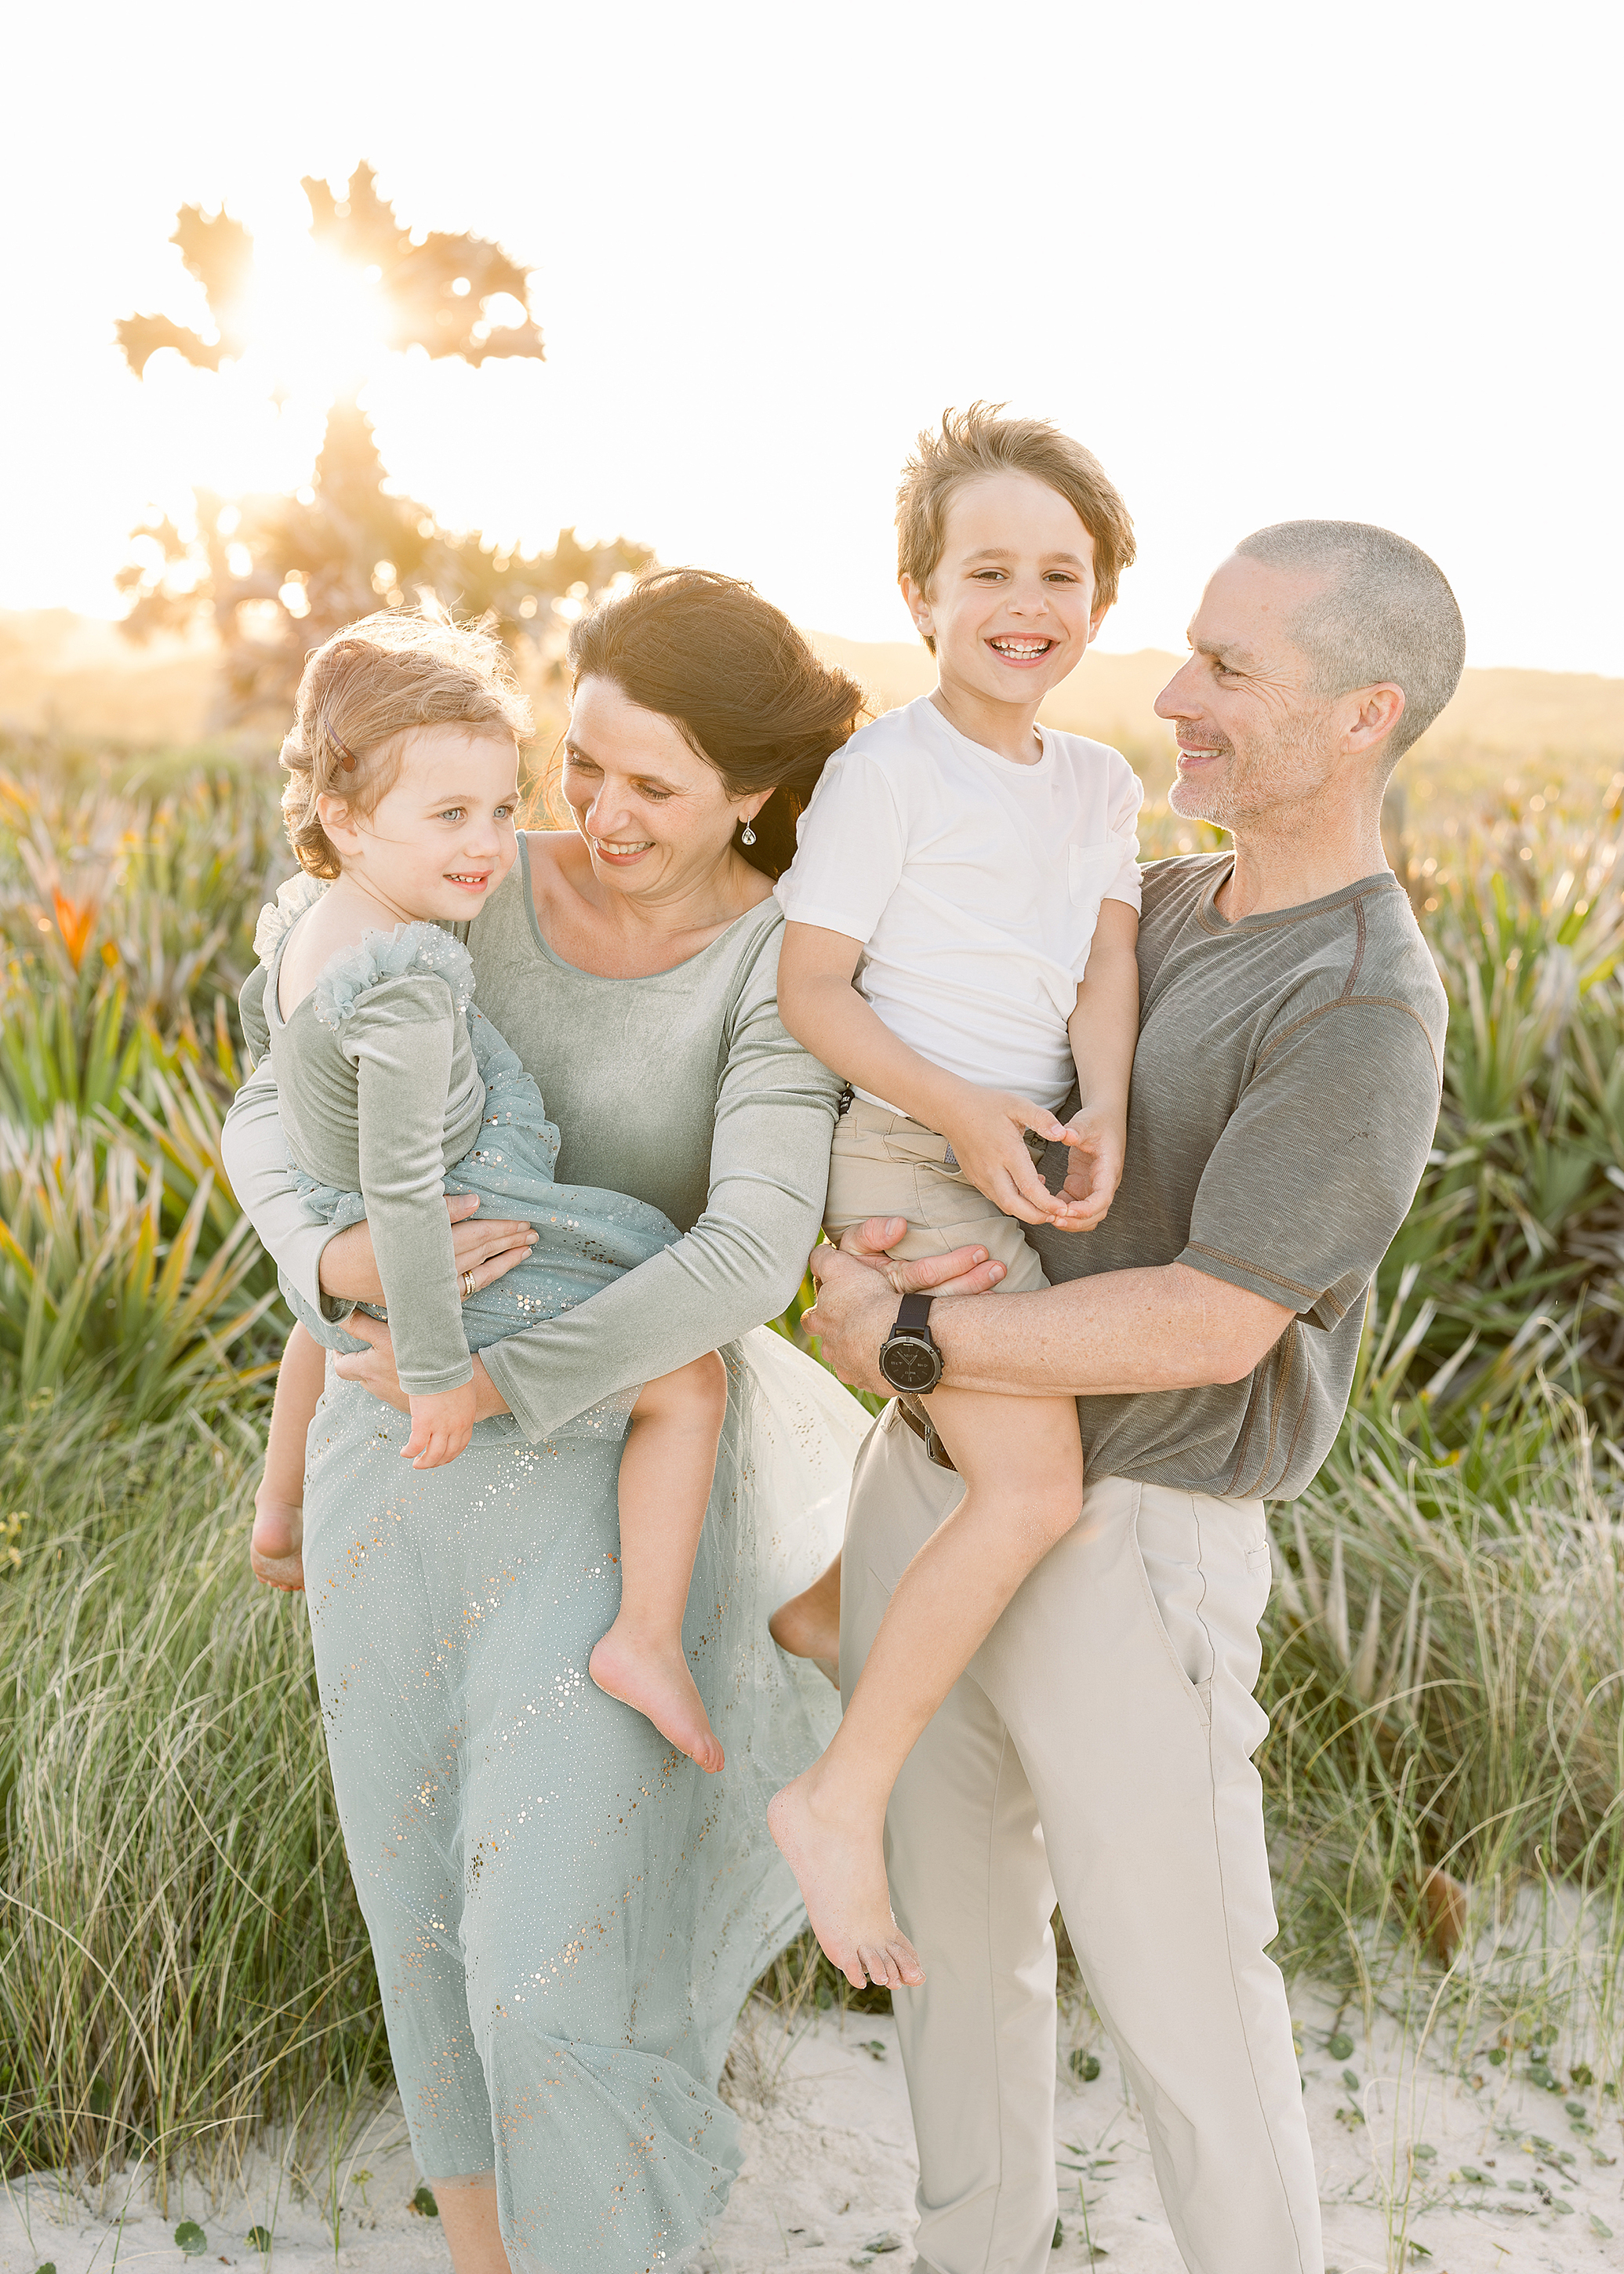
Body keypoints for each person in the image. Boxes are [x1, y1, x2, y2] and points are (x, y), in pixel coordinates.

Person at [802, 520, 1462, 2274]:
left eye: (1231, 671)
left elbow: (1212, 1325)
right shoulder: (1149, 905)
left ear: (1361, 716)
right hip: (936, 1499)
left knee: (1188, 2014)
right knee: (948, 1981)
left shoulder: (1360, 1004)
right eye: (1187, 651)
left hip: (1134, 1540)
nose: (1173, 696)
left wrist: (913, 1345)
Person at [220, 570, 874, 2274]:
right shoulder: (459, 869)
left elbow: (746, 1250)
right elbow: (267, 1110)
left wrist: (508, 1375)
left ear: (749, 789)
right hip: (397, 1451)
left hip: (607, 1469)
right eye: (579, 764)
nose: (591, 814)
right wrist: (323, 1259)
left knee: (548, 1932)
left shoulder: (775, 959)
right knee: (419, 1898)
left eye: (647, 784)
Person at [765, 408, 1143, 1989]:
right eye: (987, 566)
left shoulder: (1101, 778)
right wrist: (965, 1110)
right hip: (916, 1152)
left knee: (998, 1471)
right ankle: (837, 1797)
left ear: (1101, 600)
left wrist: (1098, 1098)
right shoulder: (885, 772)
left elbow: (1106, 956)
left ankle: (824, 1610)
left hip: (1026, 1143)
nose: (1025, 599)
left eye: (1059, 571)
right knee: (1031, 1489)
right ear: (919, 591)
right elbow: (814, 992)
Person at [244, 612, 732, 1770]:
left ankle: (280, 1507)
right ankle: (647, 1639)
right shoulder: (406, 982)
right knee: (692, 1382)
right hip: (459, 1249)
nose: (489, 845)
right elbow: (412, 1195)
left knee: (325, 1303)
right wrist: (438, 1381)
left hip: (343, 1229)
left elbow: (337, 1170)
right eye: (451, 815)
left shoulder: (326, 923)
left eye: (506, 809)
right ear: (346, 817)